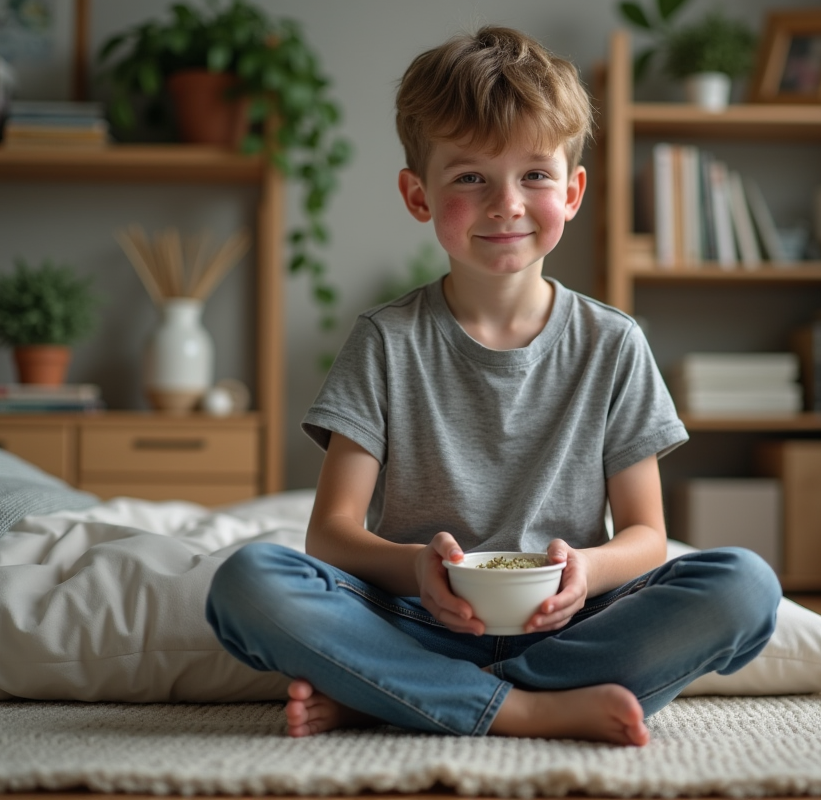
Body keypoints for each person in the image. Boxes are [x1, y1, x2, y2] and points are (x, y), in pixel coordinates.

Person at [205, 25, 781, 747]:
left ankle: (395, 696)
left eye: (534, 175)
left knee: (746, 586)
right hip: (416, 622)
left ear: (572, 192)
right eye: (471, 176)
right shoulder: (385, 341)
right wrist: (418, 569)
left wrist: (588, 569)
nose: (506, 203)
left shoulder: (615, 344)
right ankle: (525, 710)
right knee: (248, 582)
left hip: (572, 624)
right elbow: (332, 534)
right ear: (418, 195)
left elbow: (647, 537)